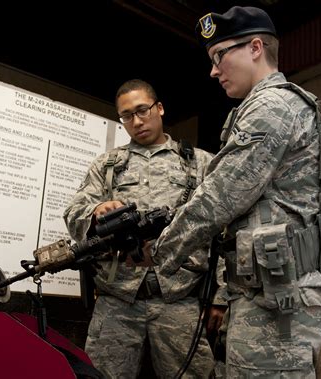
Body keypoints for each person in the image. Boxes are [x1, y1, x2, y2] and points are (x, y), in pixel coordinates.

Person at [152, 6, 321, 378]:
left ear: (255, 47)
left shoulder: (271, 106)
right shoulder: (278, 105)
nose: (213, 70)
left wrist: (160, 249)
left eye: (219, 56)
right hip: (273, 292)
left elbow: (221, 196)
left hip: (277, 302)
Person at [63, 79, 221, 378]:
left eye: (142, 110)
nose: (136, 121)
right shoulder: (108, 164)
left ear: (159, 108)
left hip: (179, 301)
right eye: (126, 116)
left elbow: (222, 232)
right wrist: (95, 212)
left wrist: (221, 297)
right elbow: (73, 213)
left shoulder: (199, 163)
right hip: (117, 301)